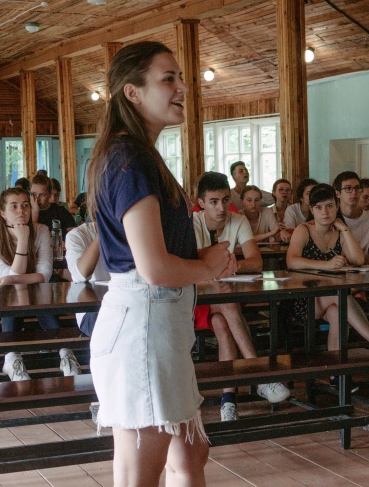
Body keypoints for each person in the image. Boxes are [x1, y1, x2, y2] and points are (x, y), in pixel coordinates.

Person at [87, 41, 236, 486]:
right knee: (139, 474)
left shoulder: (138, 153)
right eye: (168, 79)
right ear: (133, 92)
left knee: (190, 454)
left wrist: (201, 259)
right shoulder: (128, 157)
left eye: (180, 78)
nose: (182, 88)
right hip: (143, 325)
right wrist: (207, 267)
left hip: (159, 321)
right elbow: (151, 266)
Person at [194, 172, 290, 421]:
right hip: (195, 301)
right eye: (214, 202)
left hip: (226, 298)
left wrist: (232, 265)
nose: (221, 207)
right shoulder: (191, 223)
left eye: (225, 200)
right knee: (228, 305)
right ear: (201, 203)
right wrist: (214, 268)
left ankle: (228, 401)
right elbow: (193, 267)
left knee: (222, 322)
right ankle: (260, 375)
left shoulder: (238, 220)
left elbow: (256, 262)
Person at [0, 187, 81, 381]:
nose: (21, 211)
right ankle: (12, 358)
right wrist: (23, 240)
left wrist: (14, 279)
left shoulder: (41, 230)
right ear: (3, 213)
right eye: (13, 206)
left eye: (25, 206)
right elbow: (9, 276)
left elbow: (44, 274)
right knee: (15, 292)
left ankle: (66, 354)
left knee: (36, 291)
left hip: (29, 291)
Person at [286, 183, 369, 360]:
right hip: (305, 299)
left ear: (337, 207)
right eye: (319, 207)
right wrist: (327, 265)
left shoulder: (338, 231)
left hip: (331, 296)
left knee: (338, 315)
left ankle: (336, 370)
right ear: (312, 209)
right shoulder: (303, 230)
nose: (325, 212)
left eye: (329, 206)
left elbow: (358, 260)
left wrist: (344, 228)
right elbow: (291, 261)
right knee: (340, 295)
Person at [65, 221, 108, 337]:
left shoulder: (135, 229)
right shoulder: (78, 235)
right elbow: (80, 275)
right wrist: (104, 230)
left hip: (127, 303)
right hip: (93, 311)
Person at [333, 171, 369, 261]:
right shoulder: (331, 218)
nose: (354, 192)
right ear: (338, 194)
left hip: (366, 267)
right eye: (348, 188)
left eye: (357, 188)